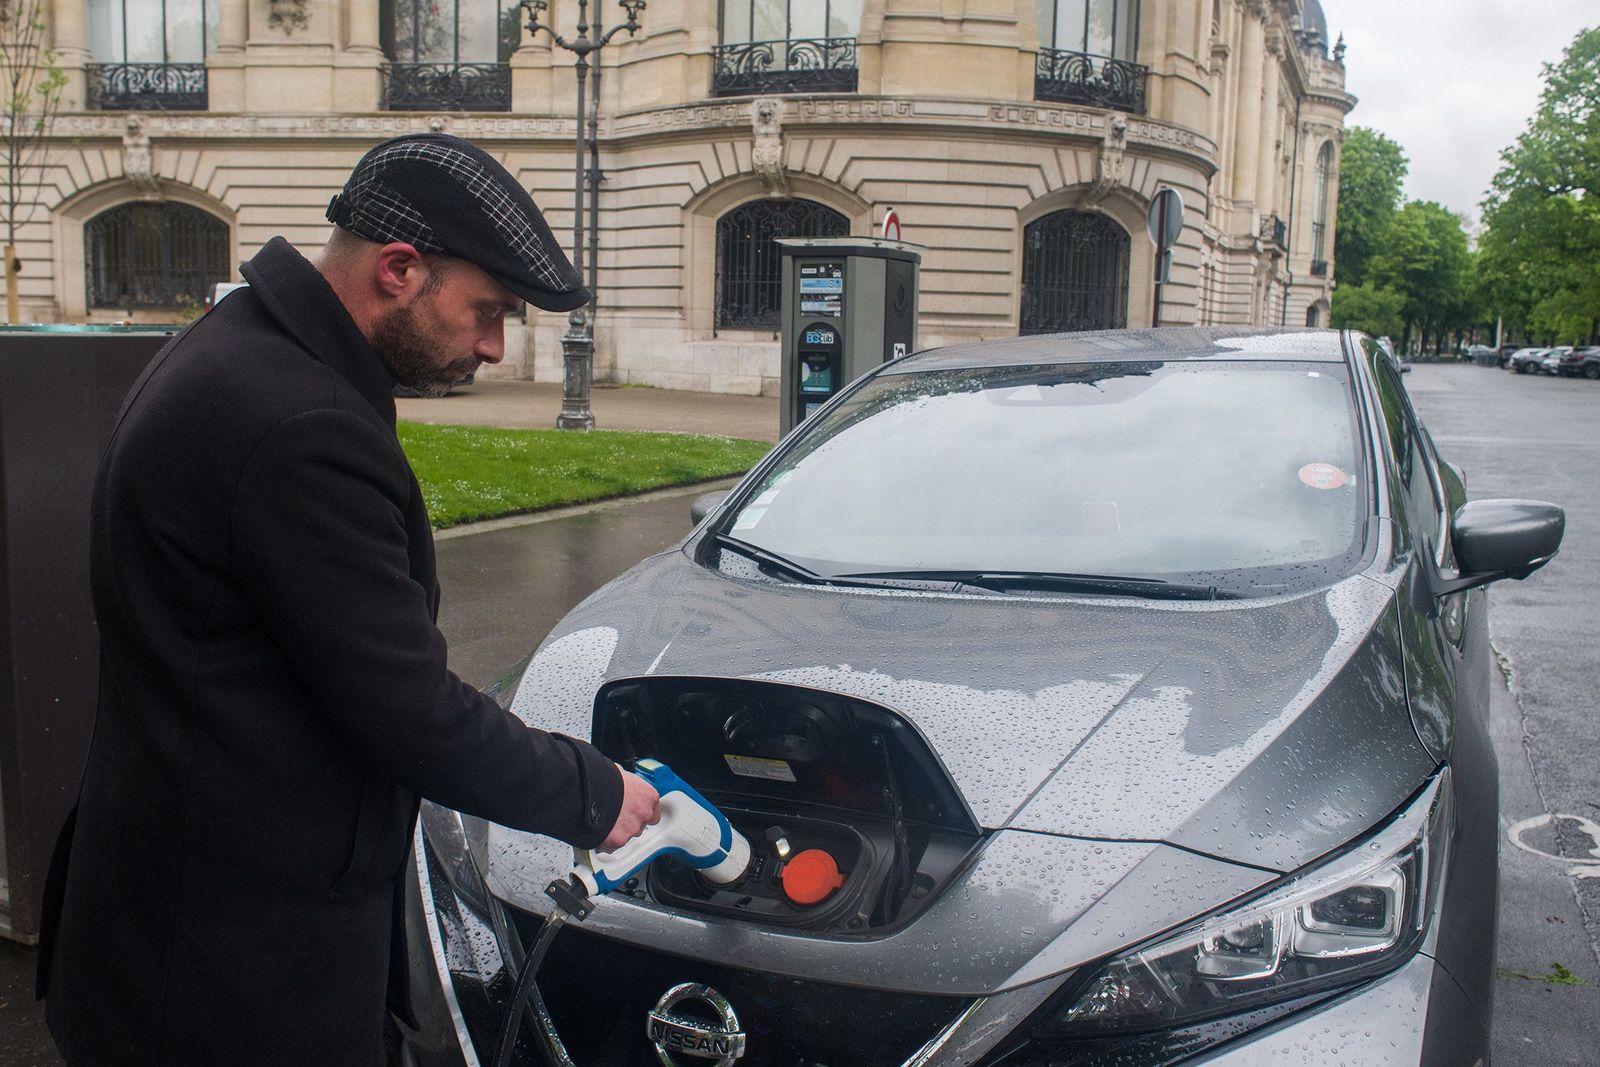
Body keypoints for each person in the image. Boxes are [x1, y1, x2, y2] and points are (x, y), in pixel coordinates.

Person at [35, 133, 661, 1064]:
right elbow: (412, 713)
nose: (495, 345)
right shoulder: (303, 423)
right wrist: (598, 792)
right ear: (400, 268)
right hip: (229, 965)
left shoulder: (240, 346)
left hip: (168, 910)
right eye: (487, 311)